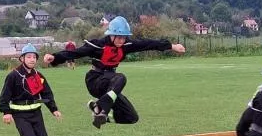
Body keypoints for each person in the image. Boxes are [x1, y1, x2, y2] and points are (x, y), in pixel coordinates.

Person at [43, 16, 185, 128]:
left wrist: (172, 46)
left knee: (131, 117)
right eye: (119, 37)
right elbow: (76, 53)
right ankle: (100, 106)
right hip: (95, 80)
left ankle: (100, 114)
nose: (121, 41)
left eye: (124, 37)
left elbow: (148, 43)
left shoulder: (126, 45)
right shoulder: (97, 45)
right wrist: (55, 57)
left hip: (110, 86)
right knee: (121, 77)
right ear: (111, 35)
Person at [0, 44, 61, 136]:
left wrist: (54, 109)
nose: (32, 59)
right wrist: (6, 112)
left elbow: (47, 94)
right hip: (19, 113)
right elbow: (4, 96)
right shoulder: (13, 76)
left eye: (34, 57)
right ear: (22, 58)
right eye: (29, 57)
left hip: (36, 113)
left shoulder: (39, 76)